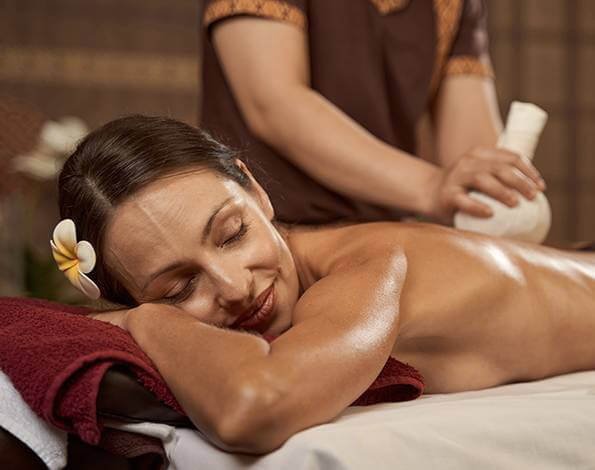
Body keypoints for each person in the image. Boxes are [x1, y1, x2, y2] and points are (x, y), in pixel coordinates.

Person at [55, 116, 594, 454]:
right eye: (178, 288)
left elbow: (255, 408)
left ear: (256, 191)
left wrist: (150, 316)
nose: (234, 287)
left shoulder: (373, 266)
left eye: (233, 234)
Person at [200, 0, 546, 225]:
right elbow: (274, 103)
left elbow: (469, 152)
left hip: (383, 234)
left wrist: (496, 192)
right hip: (268, 229)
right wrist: (431, 186)